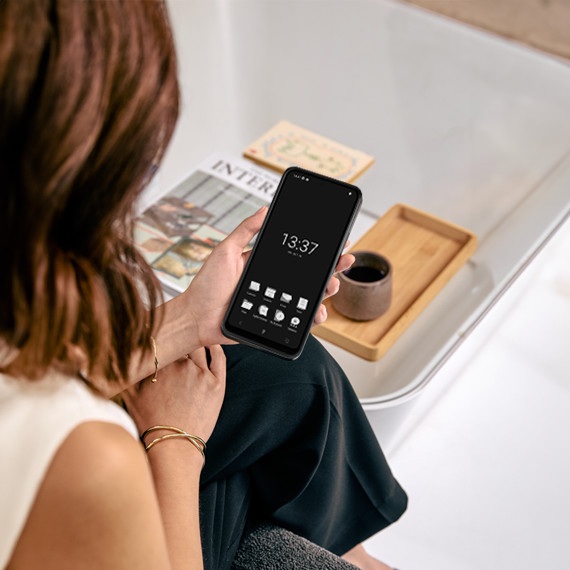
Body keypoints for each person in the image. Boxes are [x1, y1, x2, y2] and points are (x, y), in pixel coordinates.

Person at [0, 1, 407, 569]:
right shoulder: (85, 457)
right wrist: (173, 440)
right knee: (242, 470)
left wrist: (192, 318)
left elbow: (18, 366)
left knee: (287, 367)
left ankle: (347, 547)